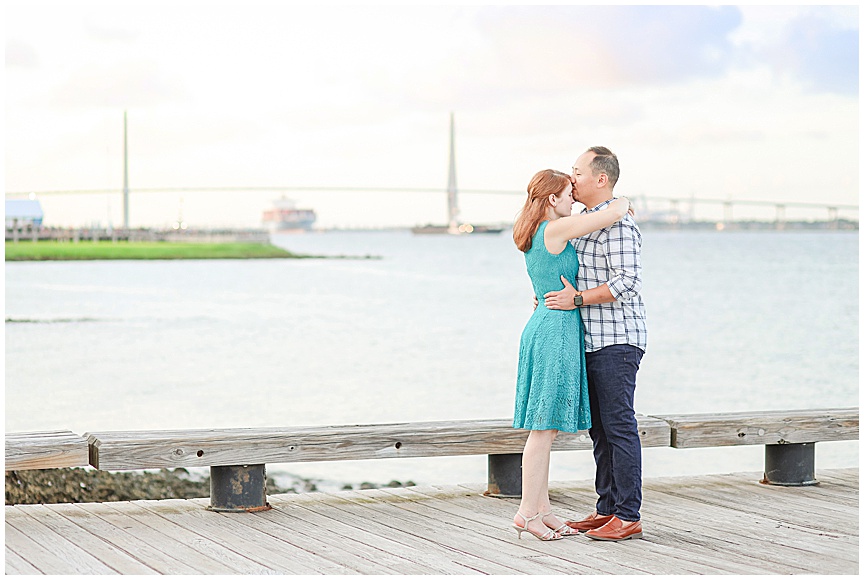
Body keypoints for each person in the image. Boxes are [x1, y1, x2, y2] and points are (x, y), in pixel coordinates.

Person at [512, 168, 629, 541]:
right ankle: (527, 512)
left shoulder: (537, 231)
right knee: (543, 428)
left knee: (545, 427)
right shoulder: (554, 229)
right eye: (567, 195)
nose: (573, 200)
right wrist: (623, 201)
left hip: (549, 323)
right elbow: (610, 214)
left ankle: (542, 508)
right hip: (555, 330)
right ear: (551, 200)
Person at [544, 146, 648, 542]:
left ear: (600, 179)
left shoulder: (619, 225)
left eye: (577, 172)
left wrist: (577, 299)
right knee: (600, 431)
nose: (571, 179)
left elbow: (626, 282)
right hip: (590, 339)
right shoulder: (591, 219)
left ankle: (628, 514)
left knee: (619, 426)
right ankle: (606, 509)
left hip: (618, 339)